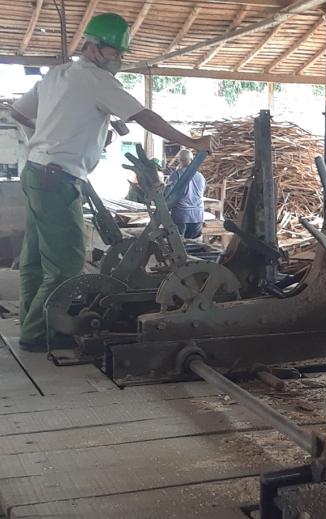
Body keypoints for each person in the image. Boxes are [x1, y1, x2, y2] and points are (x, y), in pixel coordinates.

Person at [10, 13, 213, 351]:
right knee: (67, 264)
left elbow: (17, 112)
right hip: (57, 178)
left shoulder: (57, 75)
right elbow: (144, 116)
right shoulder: (97, 80)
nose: (119, 60)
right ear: (95, 48)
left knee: (35, 261)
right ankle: (39, 334)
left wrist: (49, 135)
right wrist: (192, 143)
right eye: (117, 53)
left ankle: (31, 325)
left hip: (36, 172)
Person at [167, 149, 206, 239]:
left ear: (180, 160)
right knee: (195, 247)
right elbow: (202, 191)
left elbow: (168, 194)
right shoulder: (200, 176)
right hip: (197, 215)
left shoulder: (176, 175)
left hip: (181, 215)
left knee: (179, 246)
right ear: (192, 160)